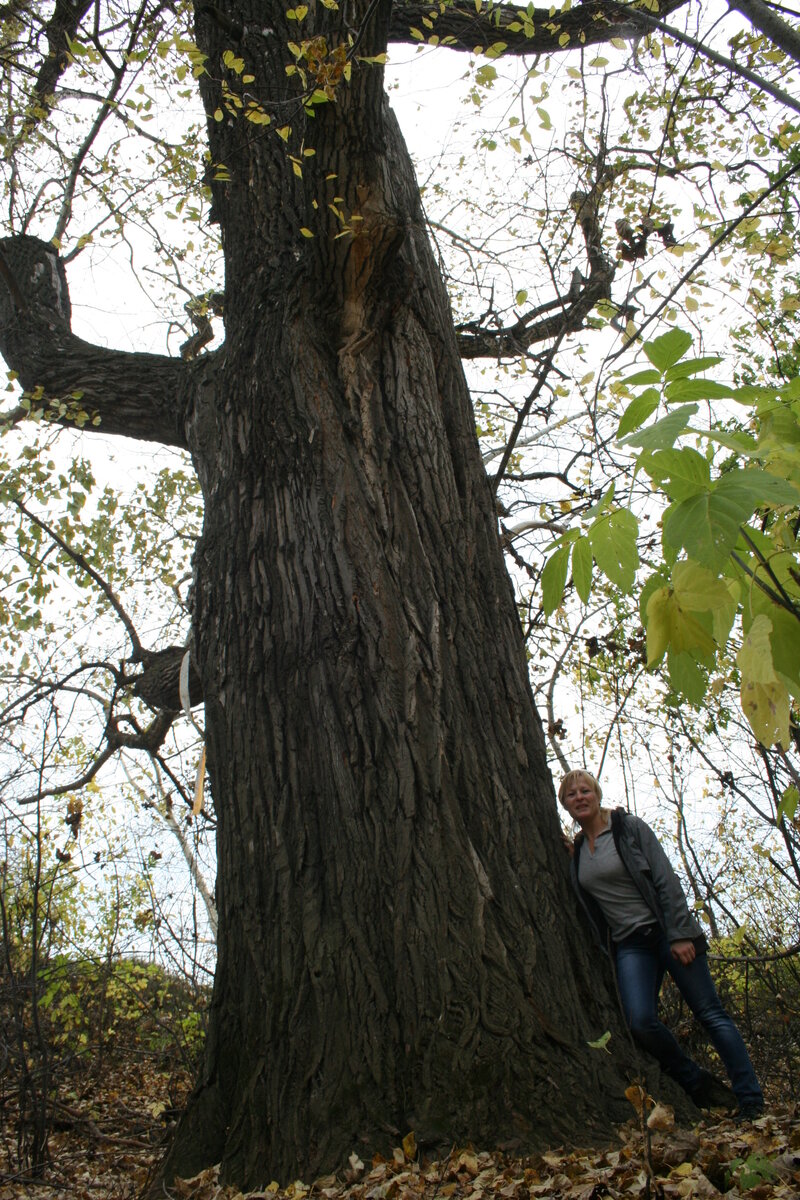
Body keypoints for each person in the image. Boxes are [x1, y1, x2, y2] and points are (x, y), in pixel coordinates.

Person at [559, 768, 764, 1120]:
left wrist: (680, 933)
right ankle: (693, 1081)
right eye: (571, 794)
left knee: (711, 1015)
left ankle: (751, 1100)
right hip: (630, 946)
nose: (579, 797)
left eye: (585, 791)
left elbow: (666, 879)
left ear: (597, 794)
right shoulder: (578, 850)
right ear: (564, 804)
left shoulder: (628, 828)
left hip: (665, 933)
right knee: (639, 1021)